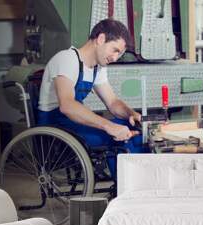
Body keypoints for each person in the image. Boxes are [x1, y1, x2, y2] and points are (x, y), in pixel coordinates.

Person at [37, 19, 148, 178]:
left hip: (73, 121)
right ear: (101, 39)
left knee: (133, 130)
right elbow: (67, 105)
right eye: (114, 50)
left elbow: (113, 102)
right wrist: (109, 126)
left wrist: (132, 114)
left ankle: (137, 184)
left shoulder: (98, 67)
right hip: (55, 125)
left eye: (119, 53)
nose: (115, 58)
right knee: (114, 135)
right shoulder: (67, 59)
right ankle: (125, 187)